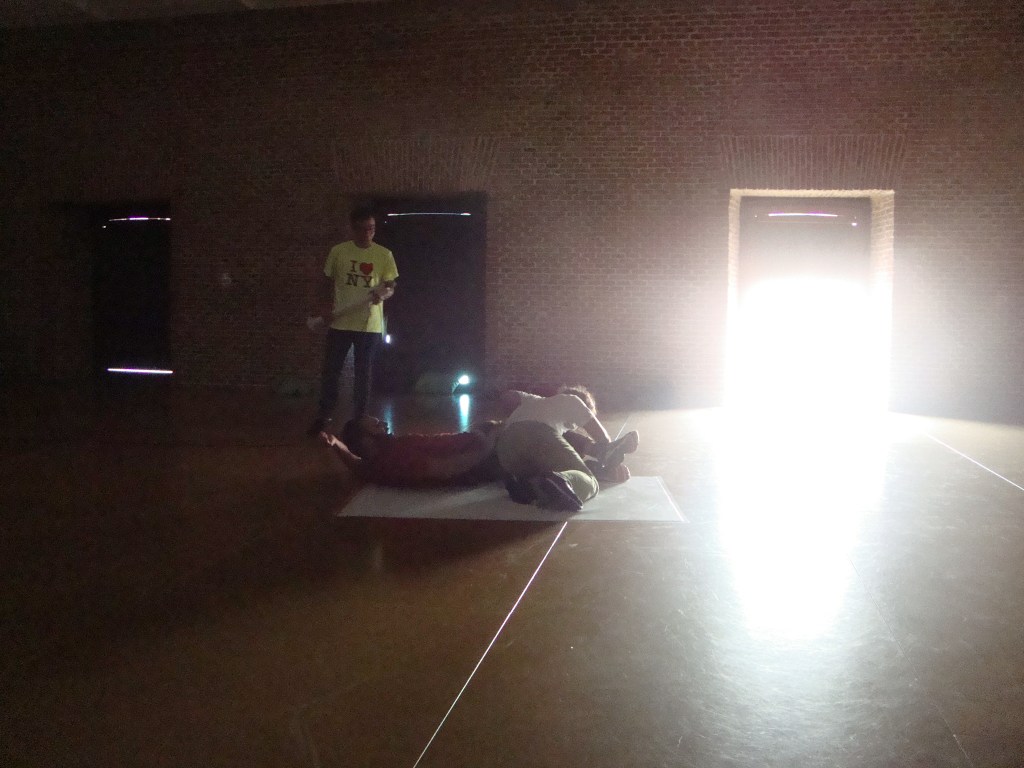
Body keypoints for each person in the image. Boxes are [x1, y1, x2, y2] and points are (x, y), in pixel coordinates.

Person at [307, 207, 398, 435]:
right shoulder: (339, 252)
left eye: (372, 229)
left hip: (369, 326)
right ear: (353, 229)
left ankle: (360, 420)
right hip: (340, 324)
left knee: (363, 373)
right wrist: (323, 307)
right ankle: (323, 416)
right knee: (331, 371)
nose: (368, 234)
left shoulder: (384, 255)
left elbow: (390, 285)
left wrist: (383, 294)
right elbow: (325, 282)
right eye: (363, 229)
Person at [495, 386, 639, 512]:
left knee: (540, 476)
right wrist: (610, 462)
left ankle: (528, 489)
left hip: (505, 449)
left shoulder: (534, 401)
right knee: (590, 482)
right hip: (537, 434)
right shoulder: (573, 401)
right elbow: (604, 441)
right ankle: (560, 482)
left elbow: (509, 396)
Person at [320, 416, 502, 487]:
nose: (385, 424)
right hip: (485, 453)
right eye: (377, 425)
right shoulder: (397, 459)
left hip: (474, 441)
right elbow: (449, 468)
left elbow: (355, 463)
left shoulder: (373, 465)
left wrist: (335, 443)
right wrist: (488, 443)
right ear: (367, 441)